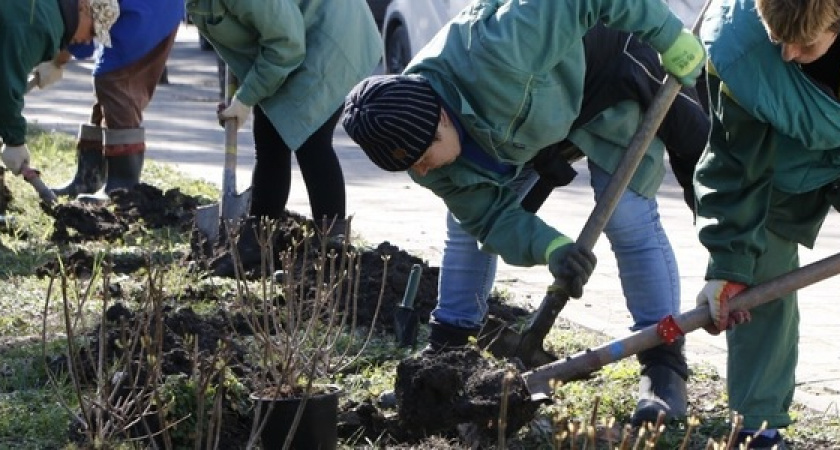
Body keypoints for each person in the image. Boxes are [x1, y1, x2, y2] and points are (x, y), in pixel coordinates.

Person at [341, 0, 707, 425]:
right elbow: (489, 218)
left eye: (423, 157)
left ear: (442, 116)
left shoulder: (502, 46)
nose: (420, 172)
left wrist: (667, 35)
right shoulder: (418, 148)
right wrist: (551, 246)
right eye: (411, 166)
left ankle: (663, 365)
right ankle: (447, 353)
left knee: (628, 217)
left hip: (602, 74)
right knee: (464, 228)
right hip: (530, 119)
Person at [694, 0, 840, 447]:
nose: (788, 54)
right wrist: (727, 263)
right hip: (776, 162)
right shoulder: (746, 48)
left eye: (804, 44)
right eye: (780, 39)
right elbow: (736, 164)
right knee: (759, 274)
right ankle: (759, 427)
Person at [186, 0, 382, 276]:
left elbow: (286, 46)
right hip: (295, 34)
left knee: (311, 140)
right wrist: (242, 91)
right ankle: (256, 244)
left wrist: (245, 100)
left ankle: (333, 249)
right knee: (270, 140)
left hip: (329, 34)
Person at [44, 0, 184, 201]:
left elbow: (78, 18)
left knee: (115, 81)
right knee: (106, 83)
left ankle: (122, 185)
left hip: (146, 10)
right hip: (140, 9)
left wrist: (61, 57)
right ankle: (89, 176)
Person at [0, 0, 90, 180]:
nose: (88, 40)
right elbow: (5, 87)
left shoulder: (47, 11)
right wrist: (14, 141)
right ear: (84, 7)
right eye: (93, 31)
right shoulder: (41, 28)